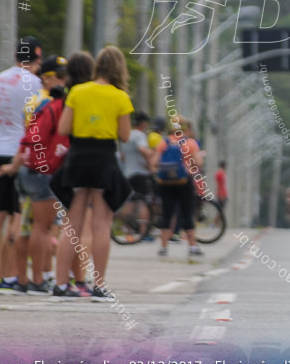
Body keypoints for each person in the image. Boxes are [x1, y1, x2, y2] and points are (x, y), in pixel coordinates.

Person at [53, 46, 133, 301]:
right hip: (103, 159)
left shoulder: (77, 91)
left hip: (78, 157)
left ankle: (61, 284)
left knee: (72, 224)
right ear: (119, 68)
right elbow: (125, 135)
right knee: (101, 224)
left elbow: (64, 127)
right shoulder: (120, 97)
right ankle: (99, 285)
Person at [0, 54, 69, 294]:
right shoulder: (52, 103)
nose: (63, 81)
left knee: (25, 227)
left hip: (28, 167)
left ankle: (22, 279)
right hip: (43, 169)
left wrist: (16, 164)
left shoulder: (33, 101)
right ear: (46, 78)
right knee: (43, 228)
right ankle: (37, 279)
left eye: (65, 76)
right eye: (59, 76)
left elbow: (26, 138)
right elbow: (38, 137)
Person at [0, 36, 42, 294]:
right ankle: (10, 277)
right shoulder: (35, 83)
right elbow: (33, 124)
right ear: (36, 58)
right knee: (18, 217)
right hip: (20, 152)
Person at [152, 116, 204, 257]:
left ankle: (163, 247)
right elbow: (199, 162)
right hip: (184, 182)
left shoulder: (164, 142)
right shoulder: (190, 143)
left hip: (166, 183)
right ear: (185, 127)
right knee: (187, 212)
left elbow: (154, 162)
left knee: (166, 213)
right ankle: (193, 247)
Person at [116, 111, 155, 242]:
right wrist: (150, 161)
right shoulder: (140, 135)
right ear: (143, 123)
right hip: (140, 173)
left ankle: (127, 230)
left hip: (127, 173)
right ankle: (144, 233)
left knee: (130, 202)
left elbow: (122, 156)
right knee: (143, 202)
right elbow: (143, 150)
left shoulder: (127, 135)